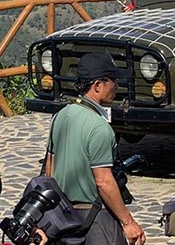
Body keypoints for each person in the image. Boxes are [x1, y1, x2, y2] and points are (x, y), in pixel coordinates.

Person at [45, 53, 146, 245]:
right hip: (95, 217)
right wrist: (128, 222)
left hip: (63, 215)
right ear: (98, 85)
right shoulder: (100, 128)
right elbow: (103, 181)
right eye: (113, 80)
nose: (117, 86)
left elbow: (49, 169)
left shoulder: (60, 116)